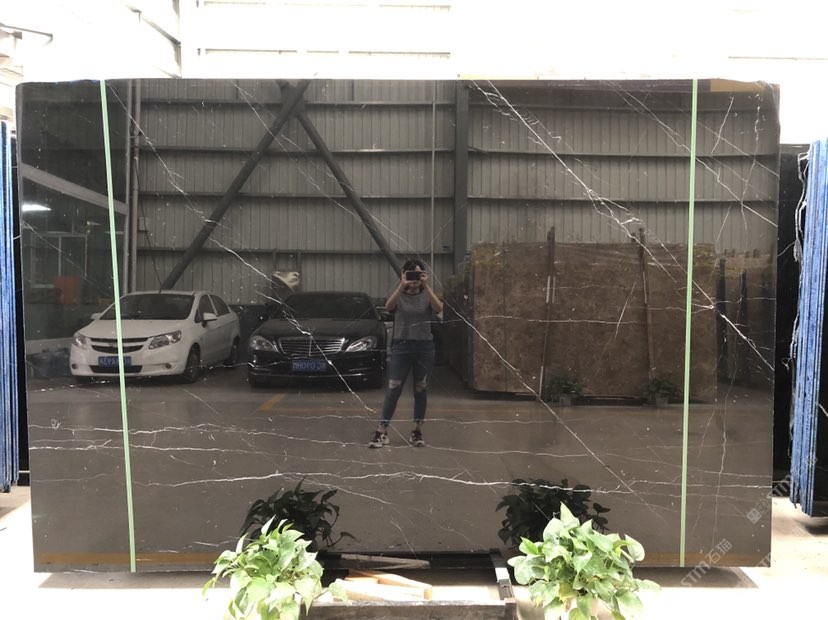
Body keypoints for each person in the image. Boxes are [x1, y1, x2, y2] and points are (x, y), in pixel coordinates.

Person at [368, 259, 443, 448]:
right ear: (403, 275)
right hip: (401, 347)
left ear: (423, 275)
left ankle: (417, 431)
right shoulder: (399, 294)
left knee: (421, 388)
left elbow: (438, 308)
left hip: (424, 348)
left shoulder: (426, 295)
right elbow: (389, 307)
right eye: (410, 274)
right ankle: (381, 431)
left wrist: (427, 287)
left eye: (418, 274)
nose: (414, 279)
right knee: (393, 388)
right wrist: (402, 286)